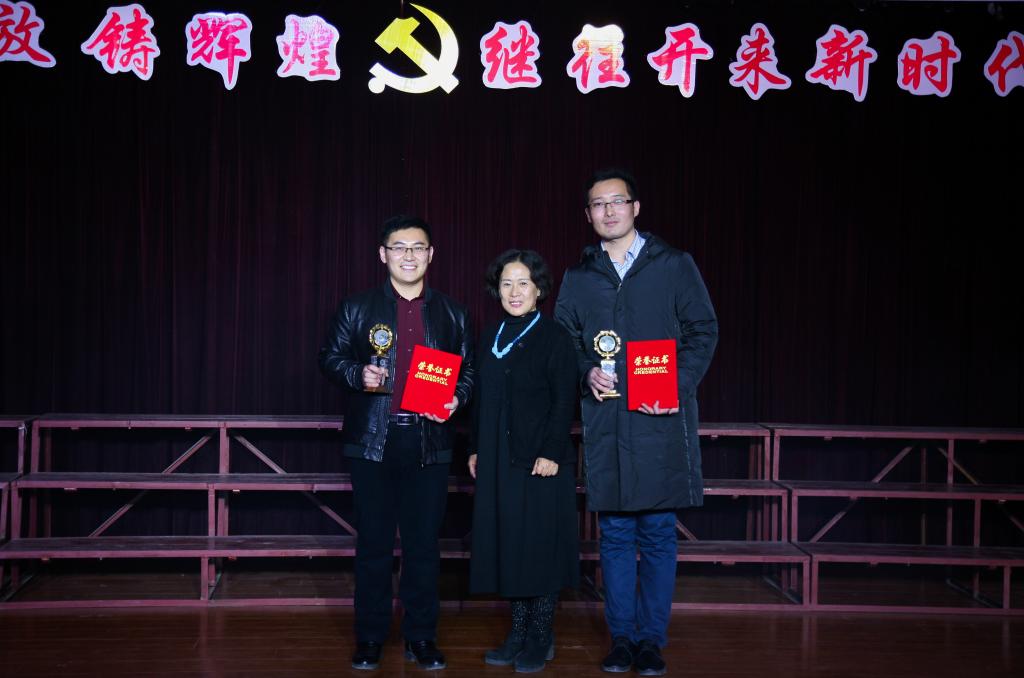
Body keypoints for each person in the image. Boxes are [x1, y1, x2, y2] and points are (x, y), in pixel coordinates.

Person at [554, 169, 718, 676]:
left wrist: (675, 386)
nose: (609, 211)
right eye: (598, 204)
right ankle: (622, 639)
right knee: (616, 537)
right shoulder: (579, 277)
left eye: (617, 201)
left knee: (659, 534)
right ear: (588, 215)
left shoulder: (674, 265)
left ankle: (651, 640)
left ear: (635, 207)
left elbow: (703, 330)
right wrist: (586, 372)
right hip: (607, 421)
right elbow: (564, 340)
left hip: (658, 420)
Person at [318, 214, 475, 672]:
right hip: (373, 441)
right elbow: (329, 357)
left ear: (431, 255)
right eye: (399, 247)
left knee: (424, 546)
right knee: (374, 545)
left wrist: (456, 399)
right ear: (383, 254)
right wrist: (356, 373)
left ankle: (420, 637)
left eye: (418, 247)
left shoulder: (453, 313)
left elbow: (469, 372)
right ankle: (369, 637)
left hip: (429, 441)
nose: (409, 255)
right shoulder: (356, 307)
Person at [467, 249, 579, 673]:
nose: (514, 292)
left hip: (540, 460)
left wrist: (551, 450)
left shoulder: (554, 336)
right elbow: (481, 399)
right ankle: (516, 633)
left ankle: (540, 634)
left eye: (523, 283)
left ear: (539, 290)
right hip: (499, 458)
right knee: (510, 545)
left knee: (539, 549)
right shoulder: (491, 335)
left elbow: (564, 400)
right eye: (506, 283)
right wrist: (476, 447)